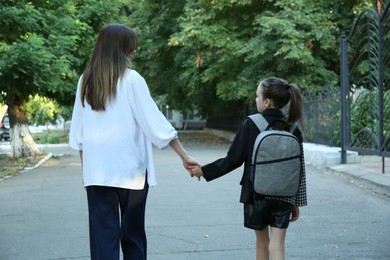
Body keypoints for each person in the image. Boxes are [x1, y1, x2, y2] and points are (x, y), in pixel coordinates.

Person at [69, 24, 199, 260]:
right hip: (132, 174)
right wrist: (184, 155)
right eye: (131, 47)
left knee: (102, 239)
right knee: (133, 236)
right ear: (121, 49)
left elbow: (79, 134)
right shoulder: (132, 80)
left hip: (97, 173)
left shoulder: (85, 81)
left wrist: (86, 172)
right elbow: (156, 124)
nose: (134, 51)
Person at [190, 77, 307, 260]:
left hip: (255, 193)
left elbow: (232, 160)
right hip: (284, 195)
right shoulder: (293, 130)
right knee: (277, 247)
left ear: (267, 102)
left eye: (257, 96)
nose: (256, 100)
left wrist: (204, 171)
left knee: (262, 245)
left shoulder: (251, 124)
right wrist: (295, 201)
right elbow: (298, 169)